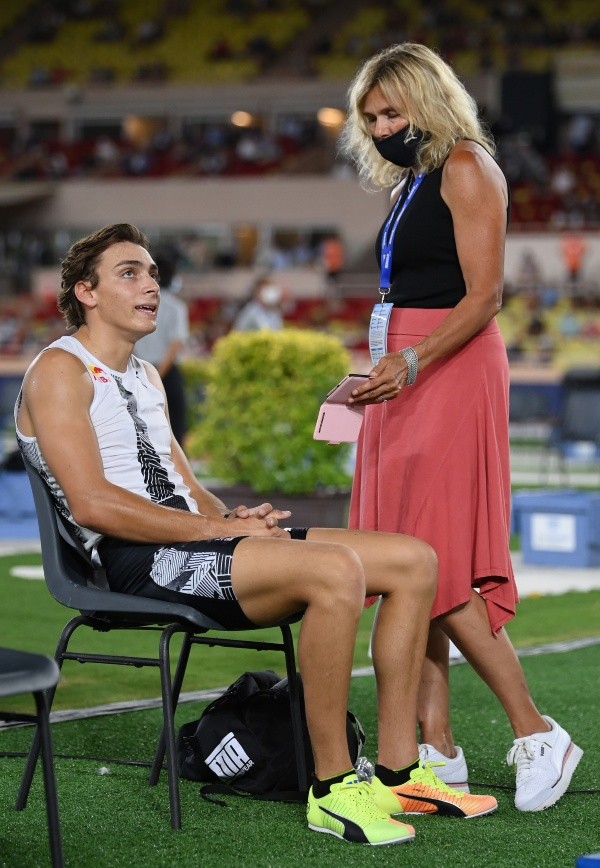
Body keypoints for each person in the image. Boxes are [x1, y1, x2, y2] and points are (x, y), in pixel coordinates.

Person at [15, 223, 498, 847]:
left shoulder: (145, 375)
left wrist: (237, 520)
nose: (151, 286)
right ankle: (331, 789)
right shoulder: (59, 368)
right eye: (130, 273)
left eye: (154, 274)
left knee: (413, 559)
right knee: (336, 570)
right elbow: (93, 504)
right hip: (133, 561)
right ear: (85, 291)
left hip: (192, 540)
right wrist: (213, 529)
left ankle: (399, 771)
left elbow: (191, 488)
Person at [339, 43, 583, 811]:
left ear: (428, 102)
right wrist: (380, 369)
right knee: (412, 561)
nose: (381, 128)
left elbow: (482, 298)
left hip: (446, 369)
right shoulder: (412, 183)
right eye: (371, 118)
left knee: (439, 567)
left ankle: (538, 731)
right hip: (405, 373)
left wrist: (409, 365)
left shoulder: (468, 167)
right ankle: (438, 747)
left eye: (392, 112)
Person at [134, 243, 189, 447]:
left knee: (143, 428)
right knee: (174, 427)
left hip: (138, 370)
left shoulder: (138, 302)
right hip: (164, 372)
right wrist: (158, 375)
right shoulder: (176, 306)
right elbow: (175, 344)